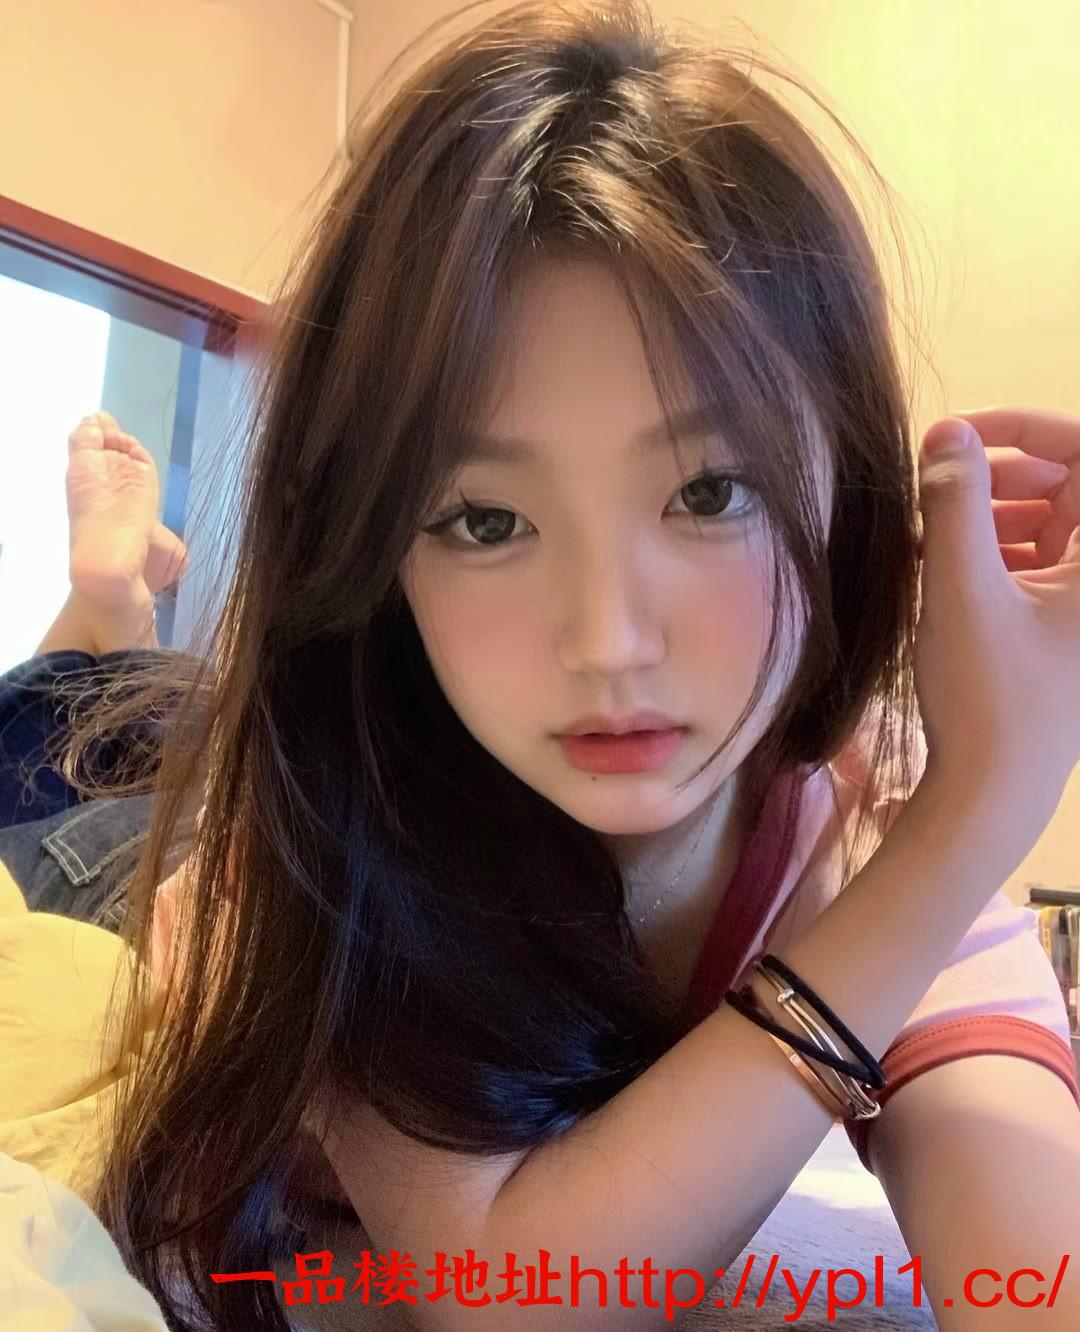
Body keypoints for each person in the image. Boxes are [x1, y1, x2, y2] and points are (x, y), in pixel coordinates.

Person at [1, 2, 1078, 1329]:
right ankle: (105, 600)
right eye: (484, 520)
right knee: (63, 737)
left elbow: (1034, 1282)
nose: (608, 642)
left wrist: (952, 831)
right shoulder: (345, 837)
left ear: (852, 497)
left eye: (710, 492)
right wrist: (977, 816)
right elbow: (509, 1294)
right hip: (134, 861)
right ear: (376, 548)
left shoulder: (858, 840)